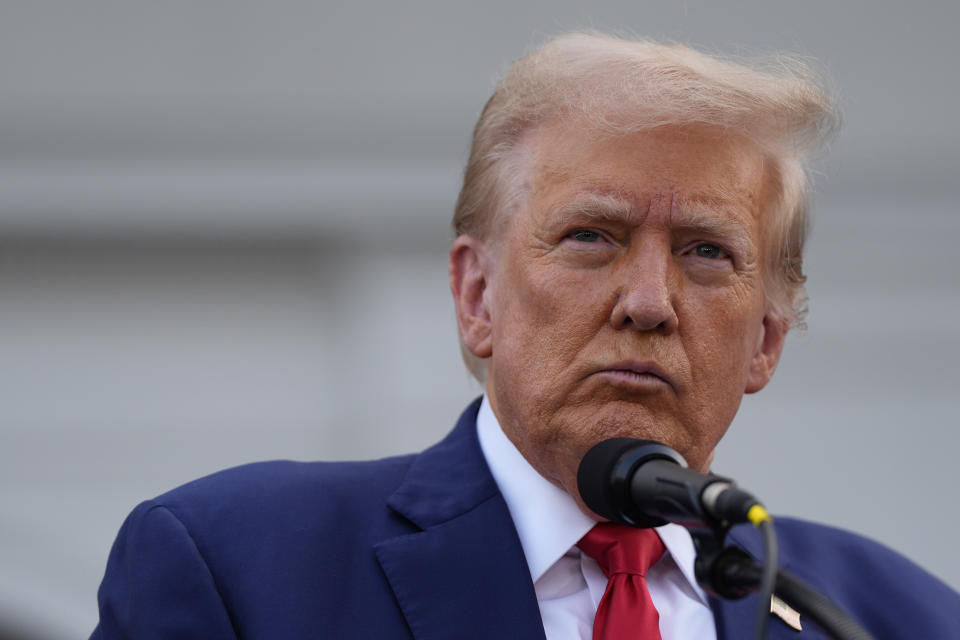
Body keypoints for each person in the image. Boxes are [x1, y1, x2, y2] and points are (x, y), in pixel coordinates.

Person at [90, 33, 960, 639]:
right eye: (592, 237)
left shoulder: (897, 620)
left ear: (766, 338)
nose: (649, 302)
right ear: (477, 295)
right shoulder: (237, 566)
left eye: (706, 252)